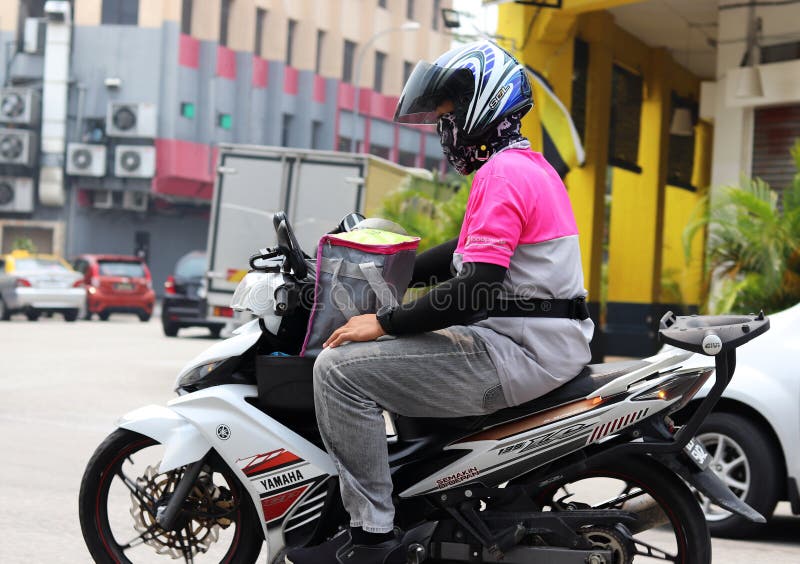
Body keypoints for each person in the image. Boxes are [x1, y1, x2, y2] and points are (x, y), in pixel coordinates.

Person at [285, 40, 593, 564]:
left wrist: (381, 321)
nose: (445, 127)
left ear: (485, 104)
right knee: (389, 358)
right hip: (540, 343)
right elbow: (461, 255)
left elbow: (473, 292)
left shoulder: (503, 174)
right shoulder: (528, 167)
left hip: (515, 349)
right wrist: (388, 273)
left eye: (448, 111)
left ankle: (372, 536)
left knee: (338, 371)